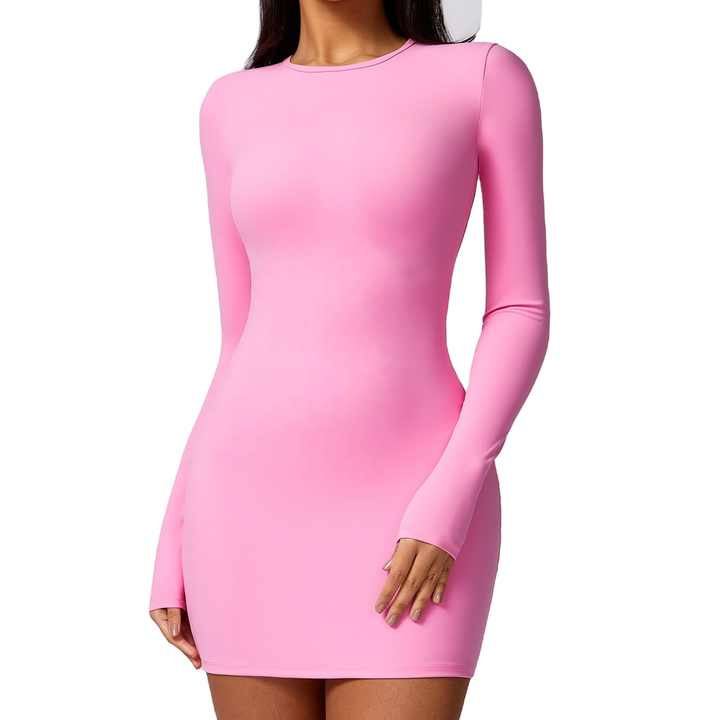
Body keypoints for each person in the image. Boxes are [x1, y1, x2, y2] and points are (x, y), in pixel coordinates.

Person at [148, 1, 550, 718]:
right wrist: (175, 529)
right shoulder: (229, 105)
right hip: (241, 514)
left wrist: (452, 494)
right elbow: (239, 338)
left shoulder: (485, 78)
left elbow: (519, 308)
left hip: (414, 506)